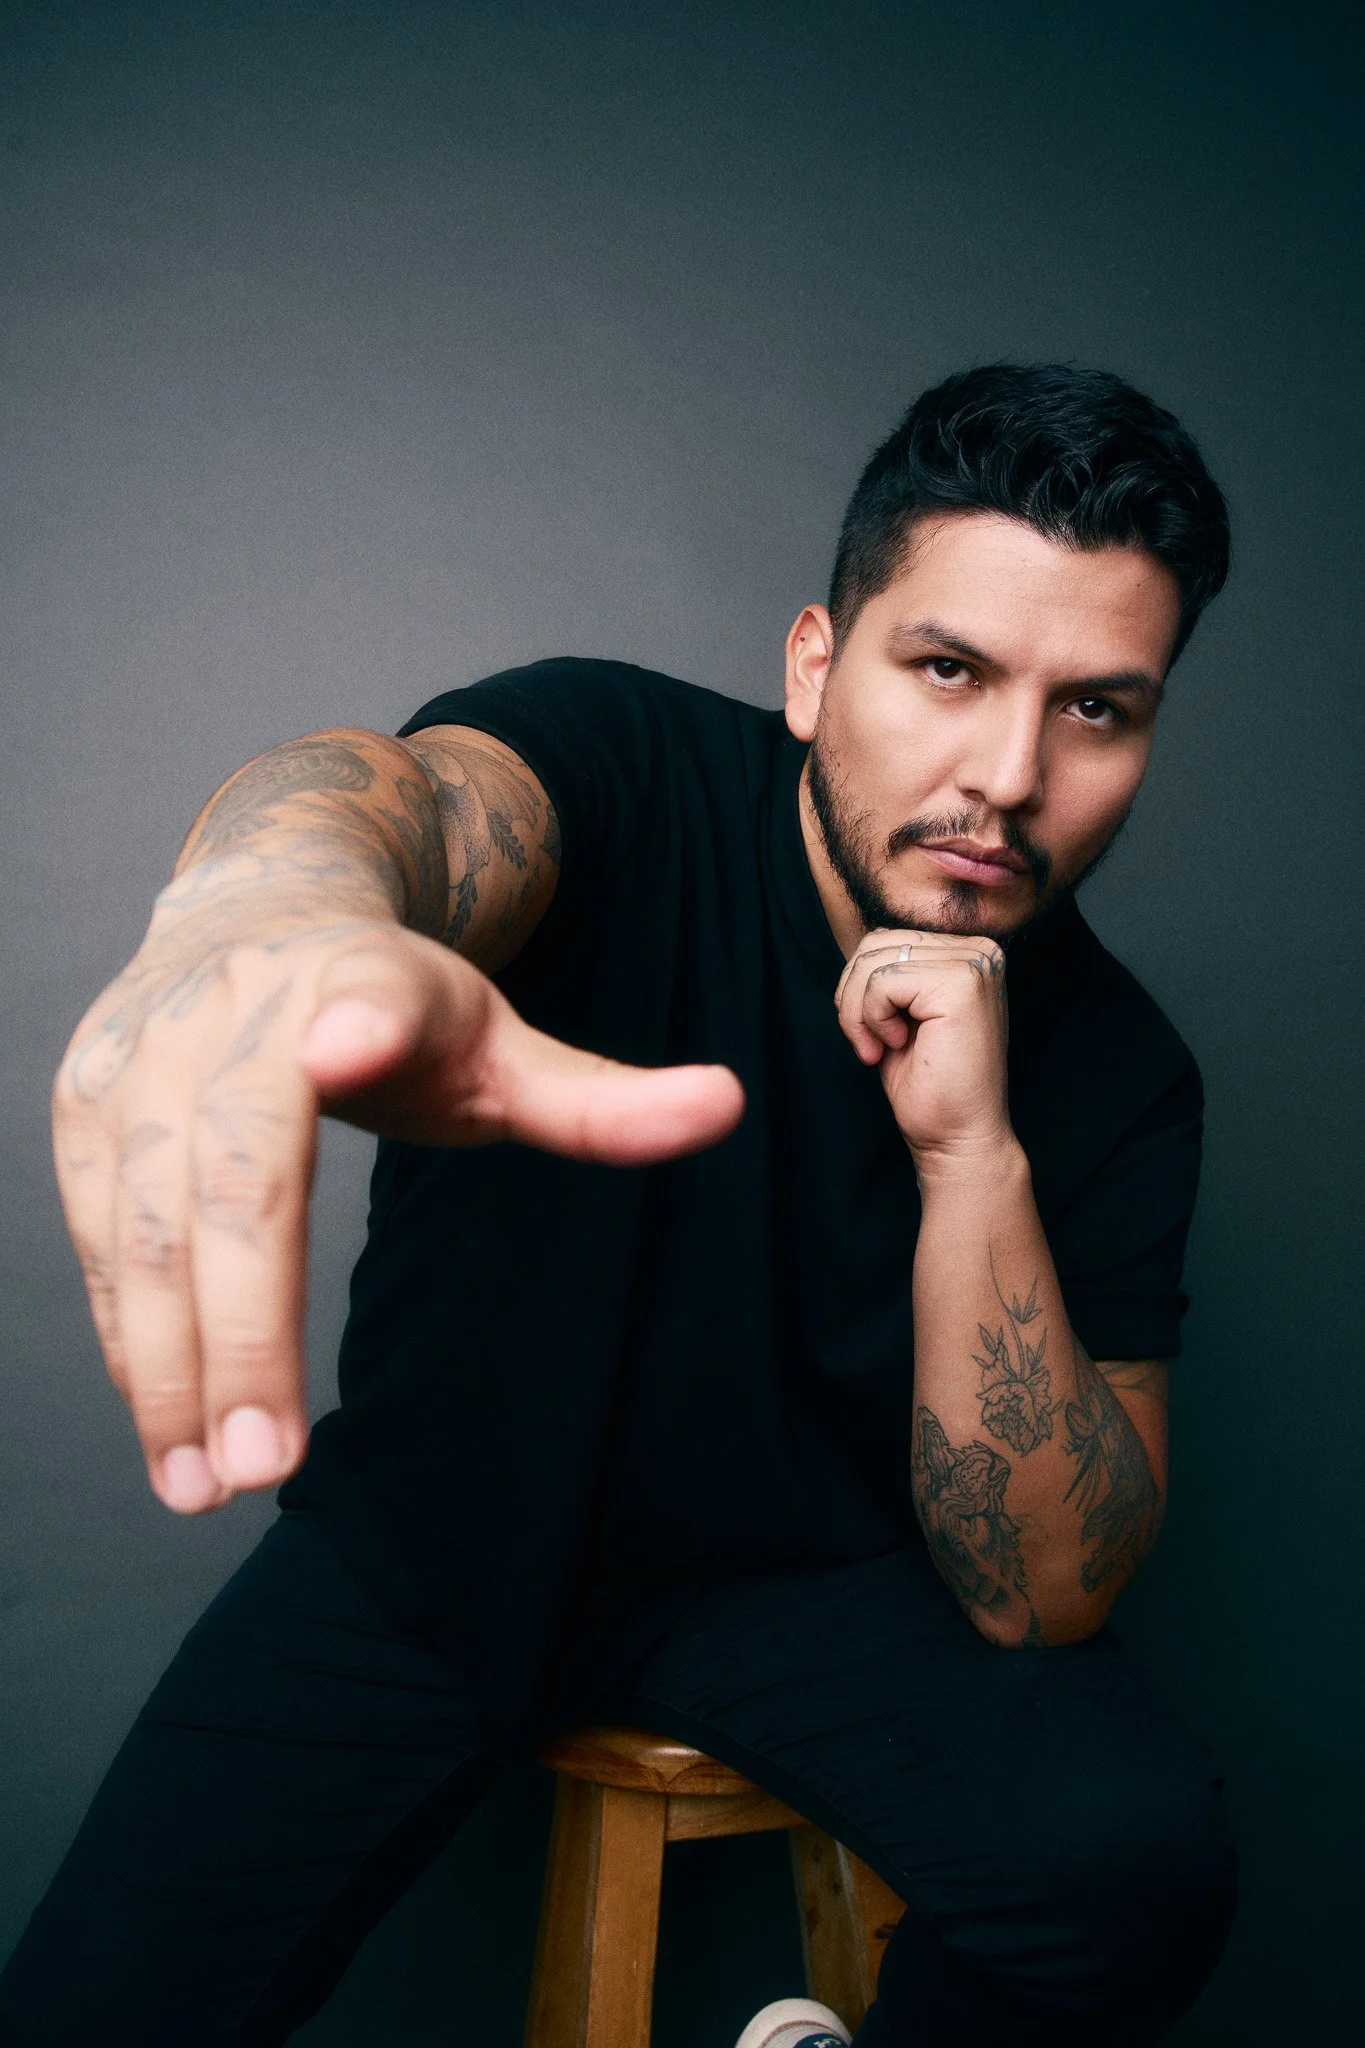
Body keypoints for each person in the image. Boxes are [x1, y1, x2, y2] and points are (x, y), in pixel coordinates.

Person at [1, 363, 1237, 2045]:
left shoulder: (1125, 1072)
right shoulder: (615, 764)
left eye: (1096, 708)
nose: (1010, 775)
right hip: (431, 1544)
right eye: (948, 670)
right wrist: (272, 905)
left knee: (1134, 1868)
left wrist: (975, 1159)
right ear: (816, 667)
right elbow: (406, 805)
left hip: (807, 1592)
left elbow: (1042, 1593)